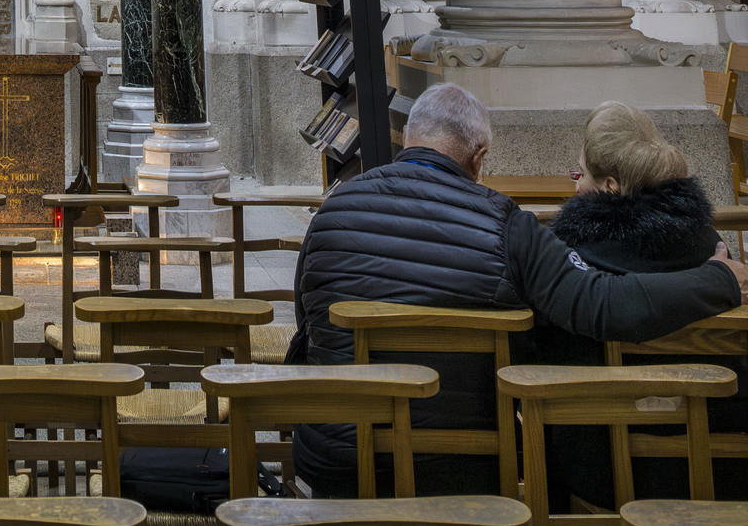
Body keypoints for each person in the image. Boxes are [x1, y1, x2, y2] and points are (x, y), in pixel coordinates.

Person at [290, 82, 748, 496]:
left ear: (408, 137)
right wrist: (720, 277)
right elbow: (601, 305)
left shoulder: (332, 212)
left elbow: (306, 326)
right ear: (479, 154)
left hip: (334, 459)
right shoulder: (509, 226)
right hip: (463, 465)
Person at [531, 101, 748, 504]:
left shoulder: (572, 252)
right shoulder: (713, 248)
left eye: (580, 172)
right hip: (722, 463)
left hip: (610, 472)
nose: (575, 183)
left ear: (610, 185)